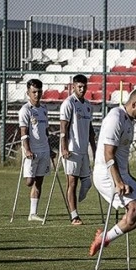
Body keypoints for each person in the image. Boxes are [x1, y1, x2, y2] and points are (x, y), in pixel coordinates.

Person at [88, 87, 136, 256]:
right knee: (135, 209)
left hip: (121, 173)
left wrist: (127, 174)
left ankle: (105, 237)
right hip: (106, 174)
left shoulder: (129, 120)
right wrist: (118, 182)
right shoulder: (115, 118)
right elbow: (108, 153)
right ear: (134, 104)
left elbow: (121, 153)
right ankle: (104, 239)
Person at [59, 74, 97, 225]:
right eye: (79, 87)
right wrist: (64, 148)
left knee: (87, 183)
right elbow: (63, 128)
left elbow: (90, 130)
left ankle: (75, 203)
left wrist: (95, 149)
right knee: (72, 183)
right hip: (72, 149)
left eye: (84, 86)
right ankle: (74, 215)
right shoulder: (68, 103)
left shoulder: (88, 105)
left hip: (83, 150)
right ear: (73, 86)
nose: (82, 89)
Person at [18, 79, 55, 221]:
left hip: (44, 150)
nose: (37, 94)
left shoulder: (44, 109)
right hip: (32, 151)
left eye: (39, 92)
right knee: (29, 182)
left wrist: (50, 148)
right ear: (28, 93)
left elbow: (45, 131)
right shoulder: (25, 110)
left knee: (39, 181)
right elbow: (24, 132)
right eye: (34, 92)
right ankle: (31, 211)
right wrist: (27, 150)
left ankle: (33, 213)